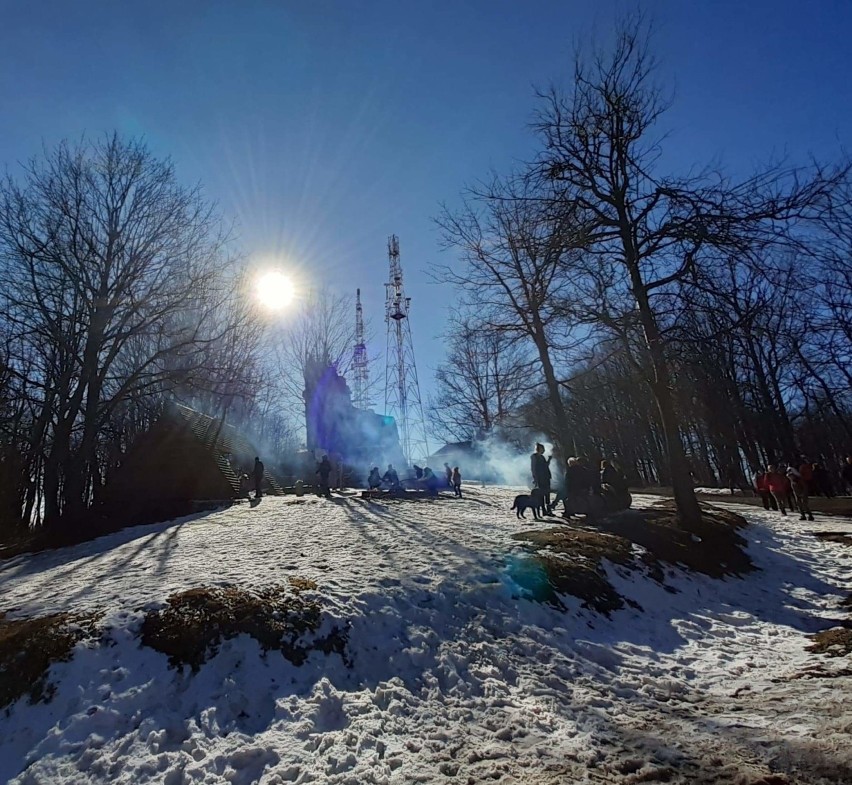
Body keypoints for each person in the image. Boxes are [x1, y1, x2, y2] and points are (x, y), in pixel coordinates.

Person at [530, 443, 553, 514]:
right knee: (541, 495)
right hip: (540, 478)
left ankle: (548, 509)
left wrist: (549, 460)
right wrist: (535, 478)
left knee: (547, 493)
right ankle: (543, 509)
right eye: (543, 449)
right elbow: (533, 468)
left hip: (546, 477)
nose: (544, 450)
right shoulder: (534, 457)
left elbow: (546, 466)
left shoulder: (542, 457)